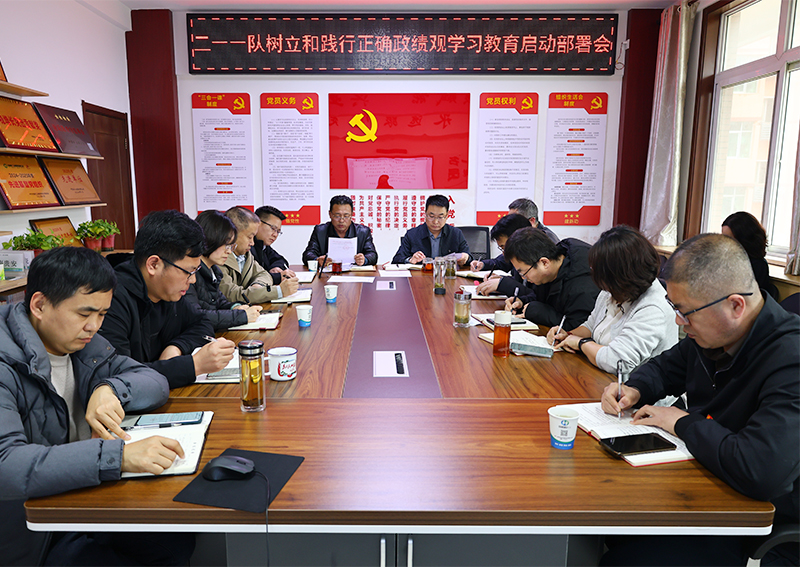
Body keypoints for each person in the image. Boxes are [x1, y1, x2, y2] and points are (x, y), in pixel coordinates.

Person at [600, 234, 799, 567]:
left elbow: (760, 470)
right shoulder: (712, 335)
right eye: (674, 308)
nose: (679, 322)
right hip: (703, 483)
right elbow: (665, 367)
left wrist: (681, 422)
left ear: (735, 306)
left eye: (685, 312)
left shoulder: (790, 359)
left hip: (749, 518)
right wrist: (634, 388)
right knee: (606, 524)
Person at [0, 247, 191, 566]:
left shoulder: (84, 347)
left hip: (83, 495)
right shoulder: (7, 363)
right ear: (39, 305)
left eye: (102, 314)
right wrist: (118, 457)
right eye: (84, 314)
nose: (94, 326)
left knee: (175, 540)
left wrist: (110, 389)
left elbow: (154, 381)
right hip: (35, 533)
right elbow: (7, 465)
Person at [99, 209, 235, 389]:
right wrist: (193, 365)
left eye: (195, 271)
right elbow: (119, 376)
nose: (193, 280)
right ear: (153, 264)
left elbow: (201, 322)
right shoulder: (110, 300)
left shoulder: (167, 292)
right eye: (189, 272)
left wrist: (176, 347)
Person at [547, 226, 679, 380]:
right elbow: (591, 325)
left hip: (634, 389)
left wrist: (581, 343)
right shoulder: (613, 290)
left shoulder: (653, 309)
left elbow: (616, 361)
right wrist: (567, 335)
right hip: (600, 377)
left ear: (619, 275)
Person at [503, 227, 600, 331]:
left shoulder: (582, 285)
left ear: (544, 263)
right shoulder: (552, 268)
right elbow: (545, 298)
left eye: (524, 273)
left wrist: (539, 312)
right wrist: (522, 302)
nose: (523, 277)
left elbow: (577, 328)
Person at [187, 210, 262, 331]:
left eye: (231, 246)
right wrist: (241, 316)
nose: (229, 251)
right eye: (226, 245)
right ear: (210, 239)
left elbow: (220, 303)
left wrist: (236, 307)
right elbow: (196, 316)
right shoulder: (189, 274)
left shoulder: (214, 270)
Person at [221, 206, 299, 303]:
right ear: (233, 234)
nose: (252, 243)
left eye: (278, 231)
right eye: (249, 237)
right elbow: (233, 295)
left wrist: (258, 285)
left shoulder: (246, 255)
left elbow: (264, 274)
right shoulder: (220, 259)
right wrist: (279, 291)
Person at [391, 194, 471, 265]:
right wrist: (410, 260)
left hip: (447, 275)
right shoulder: (412, 234)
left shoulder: (456, 234)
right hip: (420, 276)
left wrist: (466, 258)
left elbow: (470, 259)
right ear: (425, 214)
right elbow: (396, 260)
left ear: (447, 216)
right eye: (431, 216)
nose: (435, 222)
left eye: (440, 217)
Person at [302, 195, 378, 267]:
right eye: (337, 216)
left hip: (354, 274)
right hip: (327, 274)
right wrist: (317, 260)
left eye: (346, 216)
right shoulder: (320, 231)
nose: (341, 220)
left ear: (351, 214)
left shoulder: (363, 232)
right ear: (330, 214)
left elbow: (373, 255)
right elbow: (307, 254)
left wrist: (364, 259)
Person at [472, 213, 534, 297]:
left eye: (505, 247)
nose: (504, 253)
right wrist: (502, 280)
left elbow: (534, 295)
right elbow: (521, 282)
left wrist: (504, 284)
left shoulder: (537, 261)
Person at [722, 211, 779, 300]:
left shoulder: (757, 265)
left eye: (730, 239)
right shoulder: (725, 259)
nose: (724, 243)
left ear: (744, 239)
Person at [253, 205, 296, 285]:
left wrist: (276, 268)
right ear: (258, 223)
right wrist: (277, 277)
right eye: (273, 228)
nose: (275, 235)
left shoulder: (264, 246)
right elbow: (252, 279)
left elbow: (281, 260)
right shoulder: (247, 247)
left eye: (278, 231)